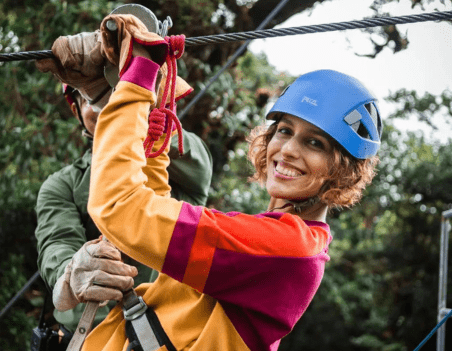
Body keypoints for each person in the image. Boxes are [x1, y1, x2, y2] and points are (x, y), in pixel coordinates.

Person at [51, 14, 382, 351]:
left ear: (343, 171)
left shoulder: (284, 250)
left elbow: (120, 208)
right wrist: (153, 118)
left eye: (316, 143)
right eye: (284, 131)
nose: (289, 151)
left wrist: (138, 78)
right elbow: (151, 208)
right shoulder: (273, 238)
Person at [34, 35, 213, 348]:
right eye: (91, 98)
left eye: (117, 91)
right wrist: (73, 272)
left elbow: (178, 150)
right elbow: (57, 245)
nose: (109, 104)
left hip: (176, 335)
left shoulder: (177, 154)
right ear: (77, 111)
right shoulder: (61, 185)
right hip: (93, 338)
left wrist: (136, 83)